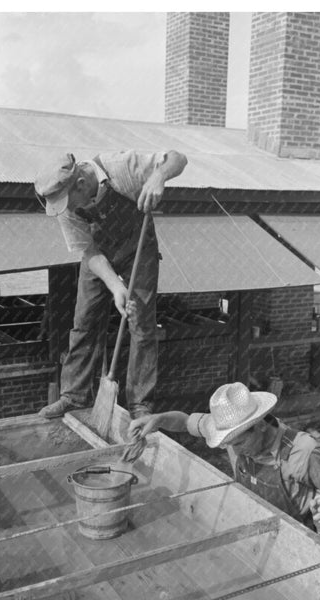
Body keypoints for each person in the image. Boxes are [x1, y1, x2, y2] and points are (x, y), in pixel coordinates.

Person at [34, 149, 187, 419]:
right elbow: (88, 250)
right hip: (98, 254)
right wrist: (116, 286)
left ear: (81, 184)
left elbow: (178, 158)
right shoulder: (66, 207)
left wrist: (158, 177)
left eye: (69, 203)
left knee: (141, 323)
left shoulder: (123, 167)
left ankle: (140, 404)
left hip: (138, 248)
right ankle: (74, 396)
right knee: (84, 321)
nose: (67, 210)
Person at [129, 382, 320, 529]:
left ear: (260, 426)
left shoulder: (302, 452)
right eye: (228, 443)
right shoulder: (228, 432)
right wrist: (157, 419)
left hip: (294, 536)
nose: (234, 449)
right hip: (251, 524)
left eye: (240, 441)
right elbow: (185, 422)